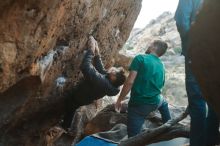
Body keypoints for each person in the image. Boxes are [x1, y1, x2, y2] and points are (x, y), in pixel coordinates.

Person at [175, 0, 220, 145]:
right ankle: (210, 141)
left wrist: (191, 47)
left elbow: (182, 20)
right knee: (215, 101)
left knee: (197, 103)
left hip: (200, 54)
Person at [62, 36, 126, 130]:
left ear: (114, 77)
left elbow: (86, 67)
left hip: (79, 97)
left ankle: (65, 127)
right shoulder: (109, 83)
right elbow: (101, 70)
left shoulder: (103, 82)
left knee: (70, 108)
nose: (113, 68)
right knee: (71, 109)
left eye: (114, 70)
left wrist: (91, 50)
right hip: (84, 98)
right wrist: (97, 53)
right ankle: (66, 126)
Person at [115, 40, 171, 137]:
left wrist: (120, 99)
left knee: (133, 137)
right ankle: (169, 125)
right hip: (157, 101)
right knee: (164, 102)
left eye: (150, 44)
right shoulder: (162, 64)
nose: (148, 45)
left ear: (153, 47)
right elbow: (161, 84)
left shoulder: (140, 58)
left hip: (139, 105)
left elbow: (129, 82)